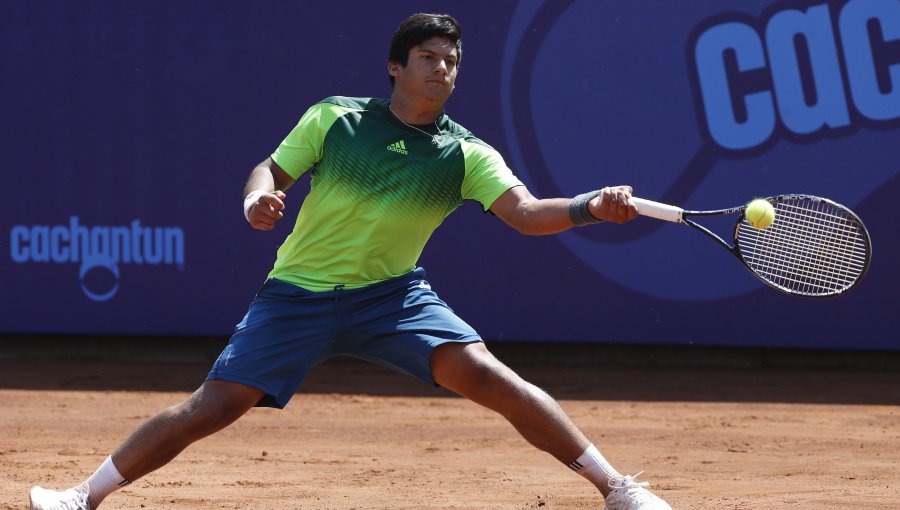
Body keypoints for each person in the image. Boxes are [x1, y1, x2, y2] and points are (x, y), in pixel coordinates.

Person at [30, 13, 671, 510]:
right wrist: (258, 197)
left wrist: (590, 206)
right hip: (296, 295)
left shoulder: (466, 154)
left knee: (490, 378)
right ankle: (81, 497)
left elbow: (527, 215)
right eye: (428, 58)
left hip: (392, 297)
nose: (441, 70)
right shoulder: (334, 120)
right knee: (212, 407)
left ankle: (617, 488)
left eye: (451, 62)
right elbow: (270, 170)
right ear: (396, 67)